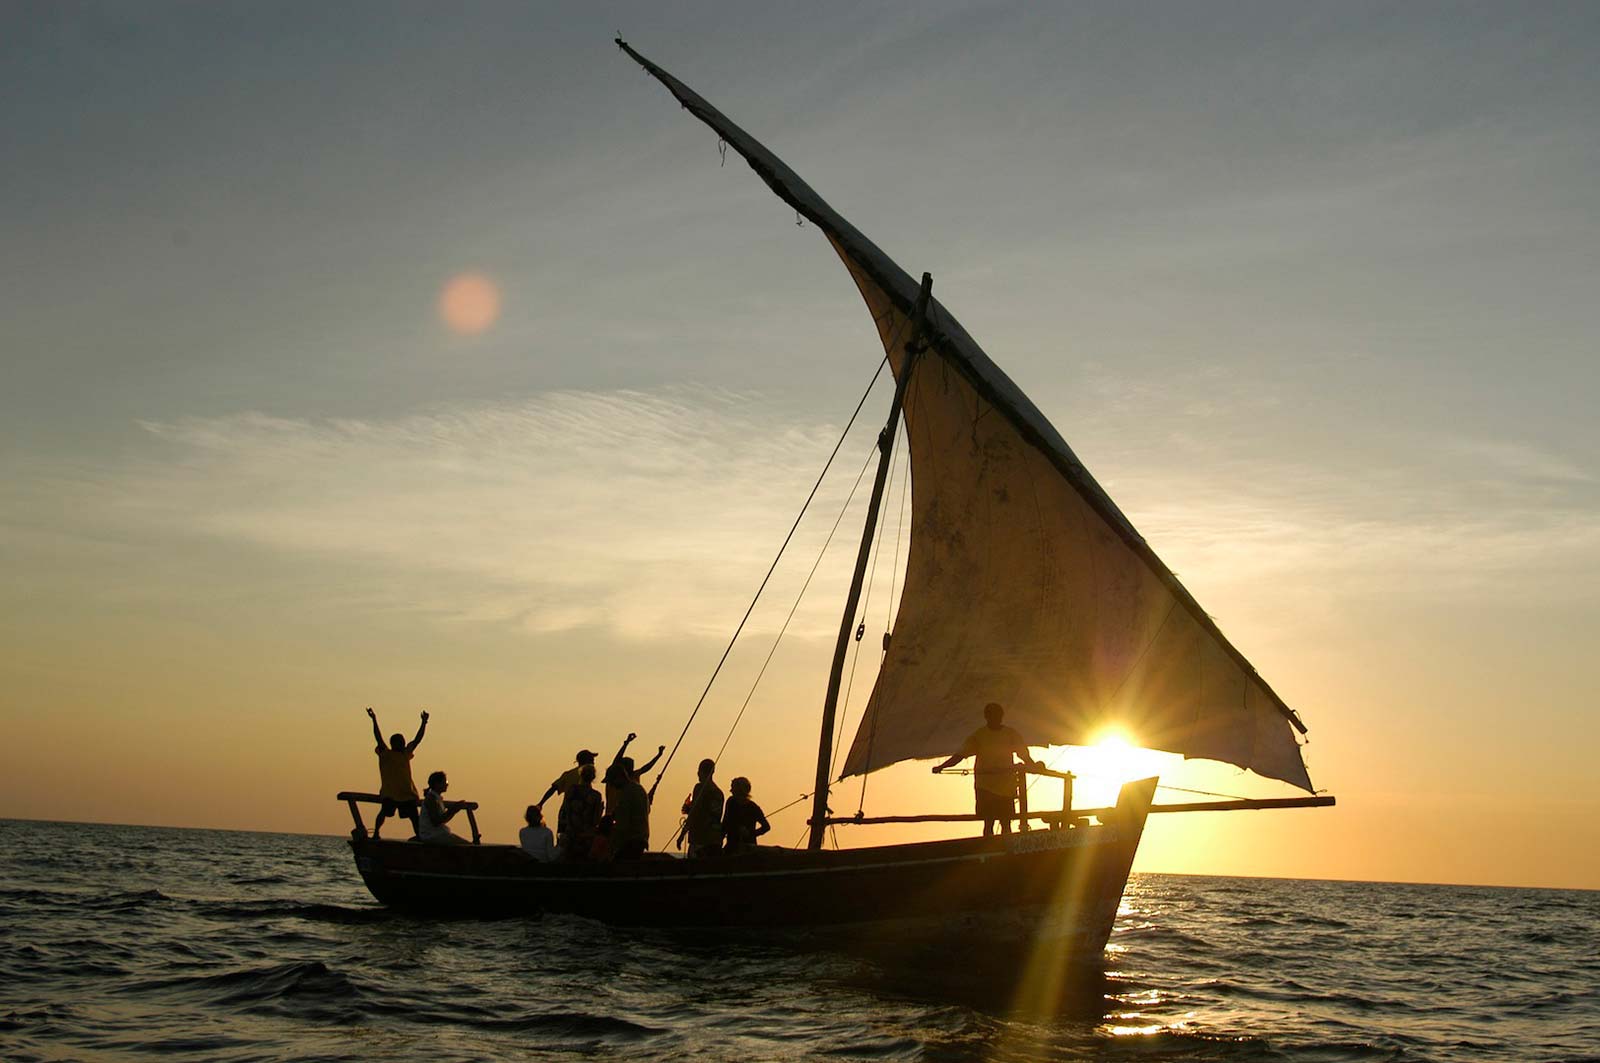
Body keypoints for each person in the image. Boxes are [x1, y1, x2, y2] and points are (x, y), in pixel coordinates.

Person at [931, 702, 1040, 837]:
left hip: (1006, 786)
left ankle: (1005, 847)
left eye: (997, 715)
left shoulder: (1011, 734)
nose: (995, 718)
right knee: (988, 822)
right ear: (986, 717)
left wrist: (1033, 765)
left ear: (1001, 716)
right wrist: (942, 767)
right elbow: (960, 755)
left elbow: (1024, 755)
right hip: (985, 787)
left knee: (1006, 823)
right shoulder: (979, 736)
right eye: (992, 715)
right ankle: (988, 845)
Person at [365, 706, 427, 839]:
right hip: (390, 793)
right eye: (399, 742)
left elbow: (417, 740)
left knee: (413, 816)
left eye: (402, 742)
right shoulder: (386, 754)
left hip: (407, 793)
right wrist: (374, 719)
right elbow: (378, 737)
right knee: (384, 812)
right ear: (393, 744)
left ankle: (419, 836)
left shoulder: (405, 754)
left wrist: (424, 723)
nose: (402, 744)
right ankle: (376, 833)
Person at [603, 732, 665, 812]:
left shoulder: (633, 776)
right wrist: (626, 743)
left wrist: (658, 755)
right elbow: (616, 762)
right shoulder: (613, 778)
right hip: (613, 815)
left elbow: (647, 767)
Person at [557, 763, 603, 860]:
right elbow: (595, 820)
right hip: (586, 837)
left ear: (581, 775)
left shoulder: (571, 790)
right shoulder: (596, 796)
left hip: (570, 834)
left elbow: (565, 811)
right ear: (593, 777)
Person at [679, 758, 724, 858]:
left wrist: (682, 835)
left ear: (700, 772)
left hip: (700, 839)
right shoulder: (718, 792)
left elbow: (694, 814)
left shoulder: (700, 788)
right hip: (714, 839)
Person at [609, 758, 651, 860]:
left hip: (631, 841)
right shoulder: (638, 788)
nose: (611, 785)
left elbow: (622, 824)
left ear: (619, 778)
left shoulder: (626, 793)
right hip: (641, 838)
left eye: (612, 781)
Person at [537, 748, 599, 815]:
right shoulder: (587, 775)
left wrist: (541, 803)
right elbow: (553, 788)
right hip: (579, 814)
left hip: (566, 813)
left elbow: (553, 788)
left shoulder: (568, 774)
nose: (593, 762)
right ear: (586, 761)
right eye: (591, 760)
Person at [721, 777, 770, 854]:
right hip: (732, 846)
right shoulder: (731, 802)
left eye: (733, 788)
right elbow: (725, 823)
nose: (731, 791)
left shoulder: (753, 807)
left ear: (740, 790)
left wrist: (750, 833)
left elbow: (766, 827)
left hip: (748, 849)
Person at [417, 770, 469, 845]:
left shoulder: (436, 798)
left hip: (436, 834)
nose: (447, 784)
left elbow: (442, 819)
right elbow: (436, 821)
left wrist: (454, 810)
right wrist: (453, 809)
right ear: (437, 784)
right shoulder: (431, 799)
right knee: (467, 845)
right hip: (432, 835)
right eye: (445, 782)